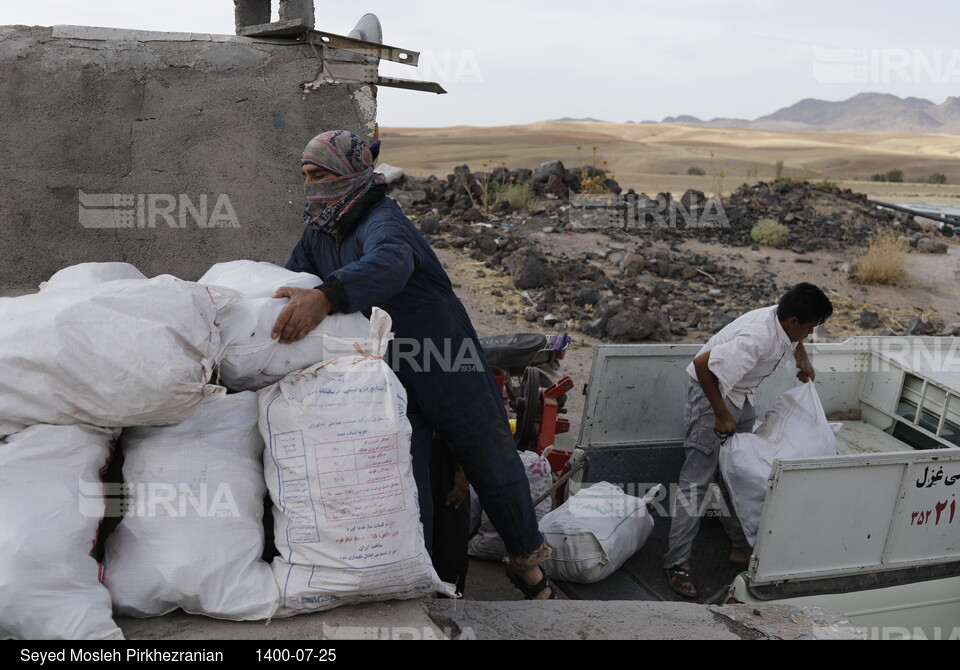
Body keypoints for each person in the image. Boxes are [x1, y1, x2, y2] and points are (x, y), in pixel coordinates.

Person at [270, 130, 556, 599]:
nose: (310, 186)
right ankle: (421, 585)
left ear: (350, 174)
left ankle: (527, 566)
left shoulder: (383, 219)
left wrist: (328, 296)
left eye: (319, 174)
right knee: (409, 485)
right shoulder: (318, 234)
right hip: (394, 373)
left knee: (491, 462)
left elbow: (391, 263)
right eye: (305, 176)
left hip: (448, 360)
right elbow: (290, 278)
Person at [663, 283, 833, 599]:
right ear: (794, 321)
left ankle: (740, 546)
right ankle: (677, 562)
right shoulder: (756, 338)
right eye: (809, 329)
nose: (809, 335)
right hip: (712, 395)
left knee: (734, 469)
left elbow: (792, 339)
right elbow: (702, 365)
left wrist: (802, 359)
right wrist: (720, 414)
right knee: (696, 482)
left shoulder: (784, 323)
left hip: (740, 394)